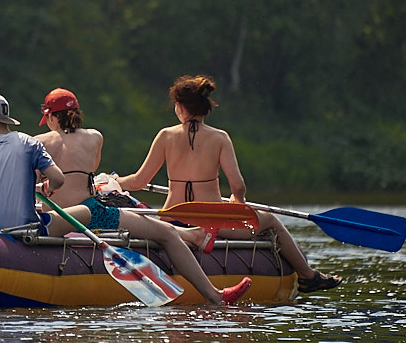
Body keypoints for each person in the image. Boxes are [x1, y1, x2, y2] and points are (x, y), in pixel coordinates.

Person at [0, 92, 251, 306]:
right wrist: (44, 186)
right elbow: (66, 178)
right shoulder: (82, 137)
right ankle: (210, 286)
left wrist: (35, 190)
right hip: (77, 213)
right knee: (162, 232)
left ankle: (193, 240)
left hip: (26, 221)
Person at [115, 74, 342, 294]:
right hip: (212, 222)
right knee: (271, 220)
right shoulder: (220, 137)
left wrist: (117, 181)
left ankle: (308, 276)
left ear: (180, 106)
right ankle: (307, 276)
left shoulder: (165, 135)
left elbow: (139, 181)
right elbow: (238, 185)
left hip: (172, 219)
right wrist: (238, 204)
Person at [35, 87, 103, 208]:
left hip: (55, 217)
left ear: (51, 117)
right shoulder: (95, 137)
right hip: (89, 213)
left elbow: (33, 182)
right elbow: (92, 168)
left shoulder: (38, 142)